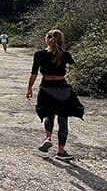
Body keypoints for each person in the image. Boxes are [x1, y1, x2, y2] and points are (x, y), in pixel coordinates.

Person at [26, 29, 84, 161]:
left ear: (47, 39)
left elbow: (34, 73)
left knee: (48, 114)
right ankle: (61, 151)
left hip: (46, 87)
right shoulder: (65, 54)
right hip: (62, 88)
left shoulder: (39, 54)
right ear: (61, 40)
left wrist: (29, 88)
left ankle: (48, 138)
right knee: (63, 119)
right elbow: (74, 66)